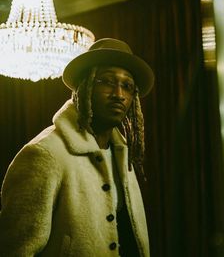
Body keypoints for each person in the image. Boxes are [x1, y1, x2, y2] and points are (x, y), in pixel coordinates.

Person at [0, 38, 155, 257]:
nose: (119, 95)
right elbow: (15, 250)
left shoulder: (123, 155)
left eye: (127, 86)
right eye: (107, 81)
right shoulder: (43, 154)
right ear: (85, 87)